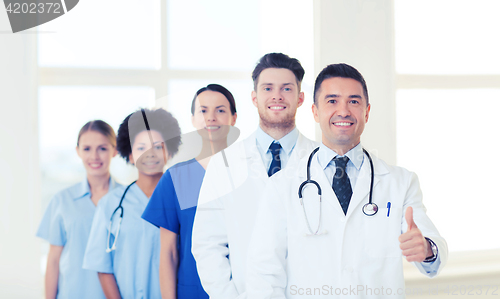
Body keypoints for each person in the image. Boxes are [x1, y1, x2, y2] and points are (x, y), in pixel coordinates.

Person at [246, 63, 448, 298]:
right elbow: (264, 273)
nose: (343, 111)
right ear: (315, 111)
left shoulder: (400, 182)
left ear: (367, 112)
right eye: (332, 101)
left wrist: (426, 249)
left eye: (353, 101)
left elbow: (434, 254)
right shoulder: (282, 186)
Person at [191, 53, 318, 298]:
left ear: (300, 98)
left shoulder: (323, 161)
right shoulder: (224, 165)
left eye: (287, 89)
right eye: (268, 88)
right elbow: (207, 246)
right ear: (254, 97)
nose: (277, 96)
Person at [141, 84, 238, 298]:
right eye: (203, 111)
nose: (211, 117)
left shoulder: (251, 175)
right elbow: (168, 253)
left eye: (220, 110)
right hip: (192, 291)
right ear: (193, 119)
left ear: (234, 118)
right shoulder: (175, 179)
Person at [83, 108, 181, 299]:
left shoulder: (183, 201)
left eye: (158, 146)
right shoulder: (110, 204)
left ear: (169, 151)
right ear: (129, 155)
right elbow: (102, 267)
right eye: (141, 148)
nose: (150, 154)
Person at [37, 120, 121, 299]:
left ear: (115, 151)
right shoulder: (62, 200)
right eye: (87, 148)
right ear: (78, 151)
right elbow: (53, 261)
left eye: (103, 148)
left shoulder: (128, 199)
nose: (94, 156)